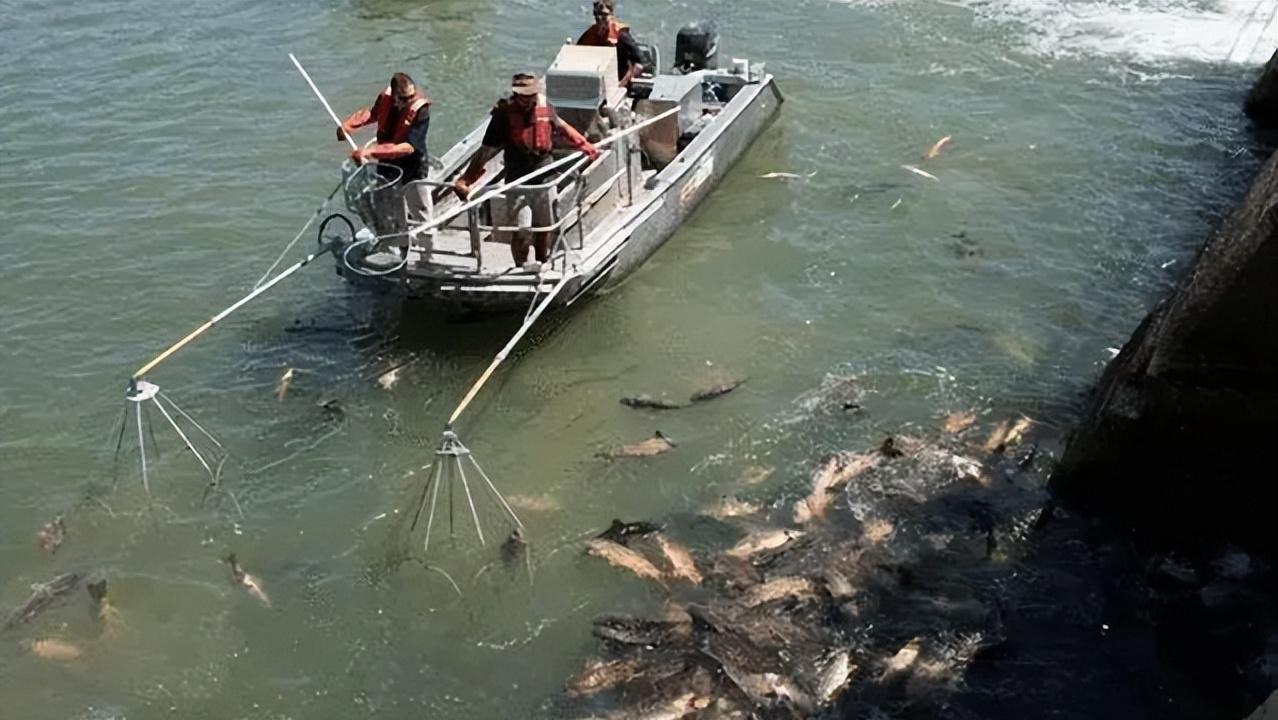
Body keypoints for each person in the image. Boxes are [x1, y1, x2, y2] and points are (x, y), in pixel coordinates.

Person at [453, 73, 600, 268]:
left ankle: (542, 261)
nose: (528, 100)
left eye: (531, 95)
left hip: (544, 171)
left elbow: (562, 126)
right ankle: (521, 265)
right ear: (515, 94)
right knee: (521, 229)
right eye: (523, 96)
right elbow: (487, 150)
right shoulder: (503, 115)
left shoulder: (544, 107)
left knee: (544, 225)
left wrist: (586, 146)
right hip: (517, 175)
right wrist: (466, 179)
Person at [337, 72, 431, 183]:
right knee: (384, 195)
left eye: (412, 96)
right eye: (404, 98)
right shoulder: (385, 99)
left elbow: (408, 147)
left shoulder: (420, 111)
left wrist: (370, 152)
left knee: (418, 197)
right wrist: (349, 125)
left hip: (412, 166)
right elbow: (373, 114)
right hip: (387, 163)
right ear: (394, 96)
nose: (409, 101)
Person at [577, 0, 645, 86]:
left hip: (619, 80)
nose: (599, 17)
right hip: (596, 80)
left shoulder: (621, 35)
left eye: (603, 14)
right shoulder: (590, 34)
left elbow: (640, 63)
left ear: (611, 15)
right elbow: (577, 54)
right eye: (596, 14)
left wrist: (623, 82)